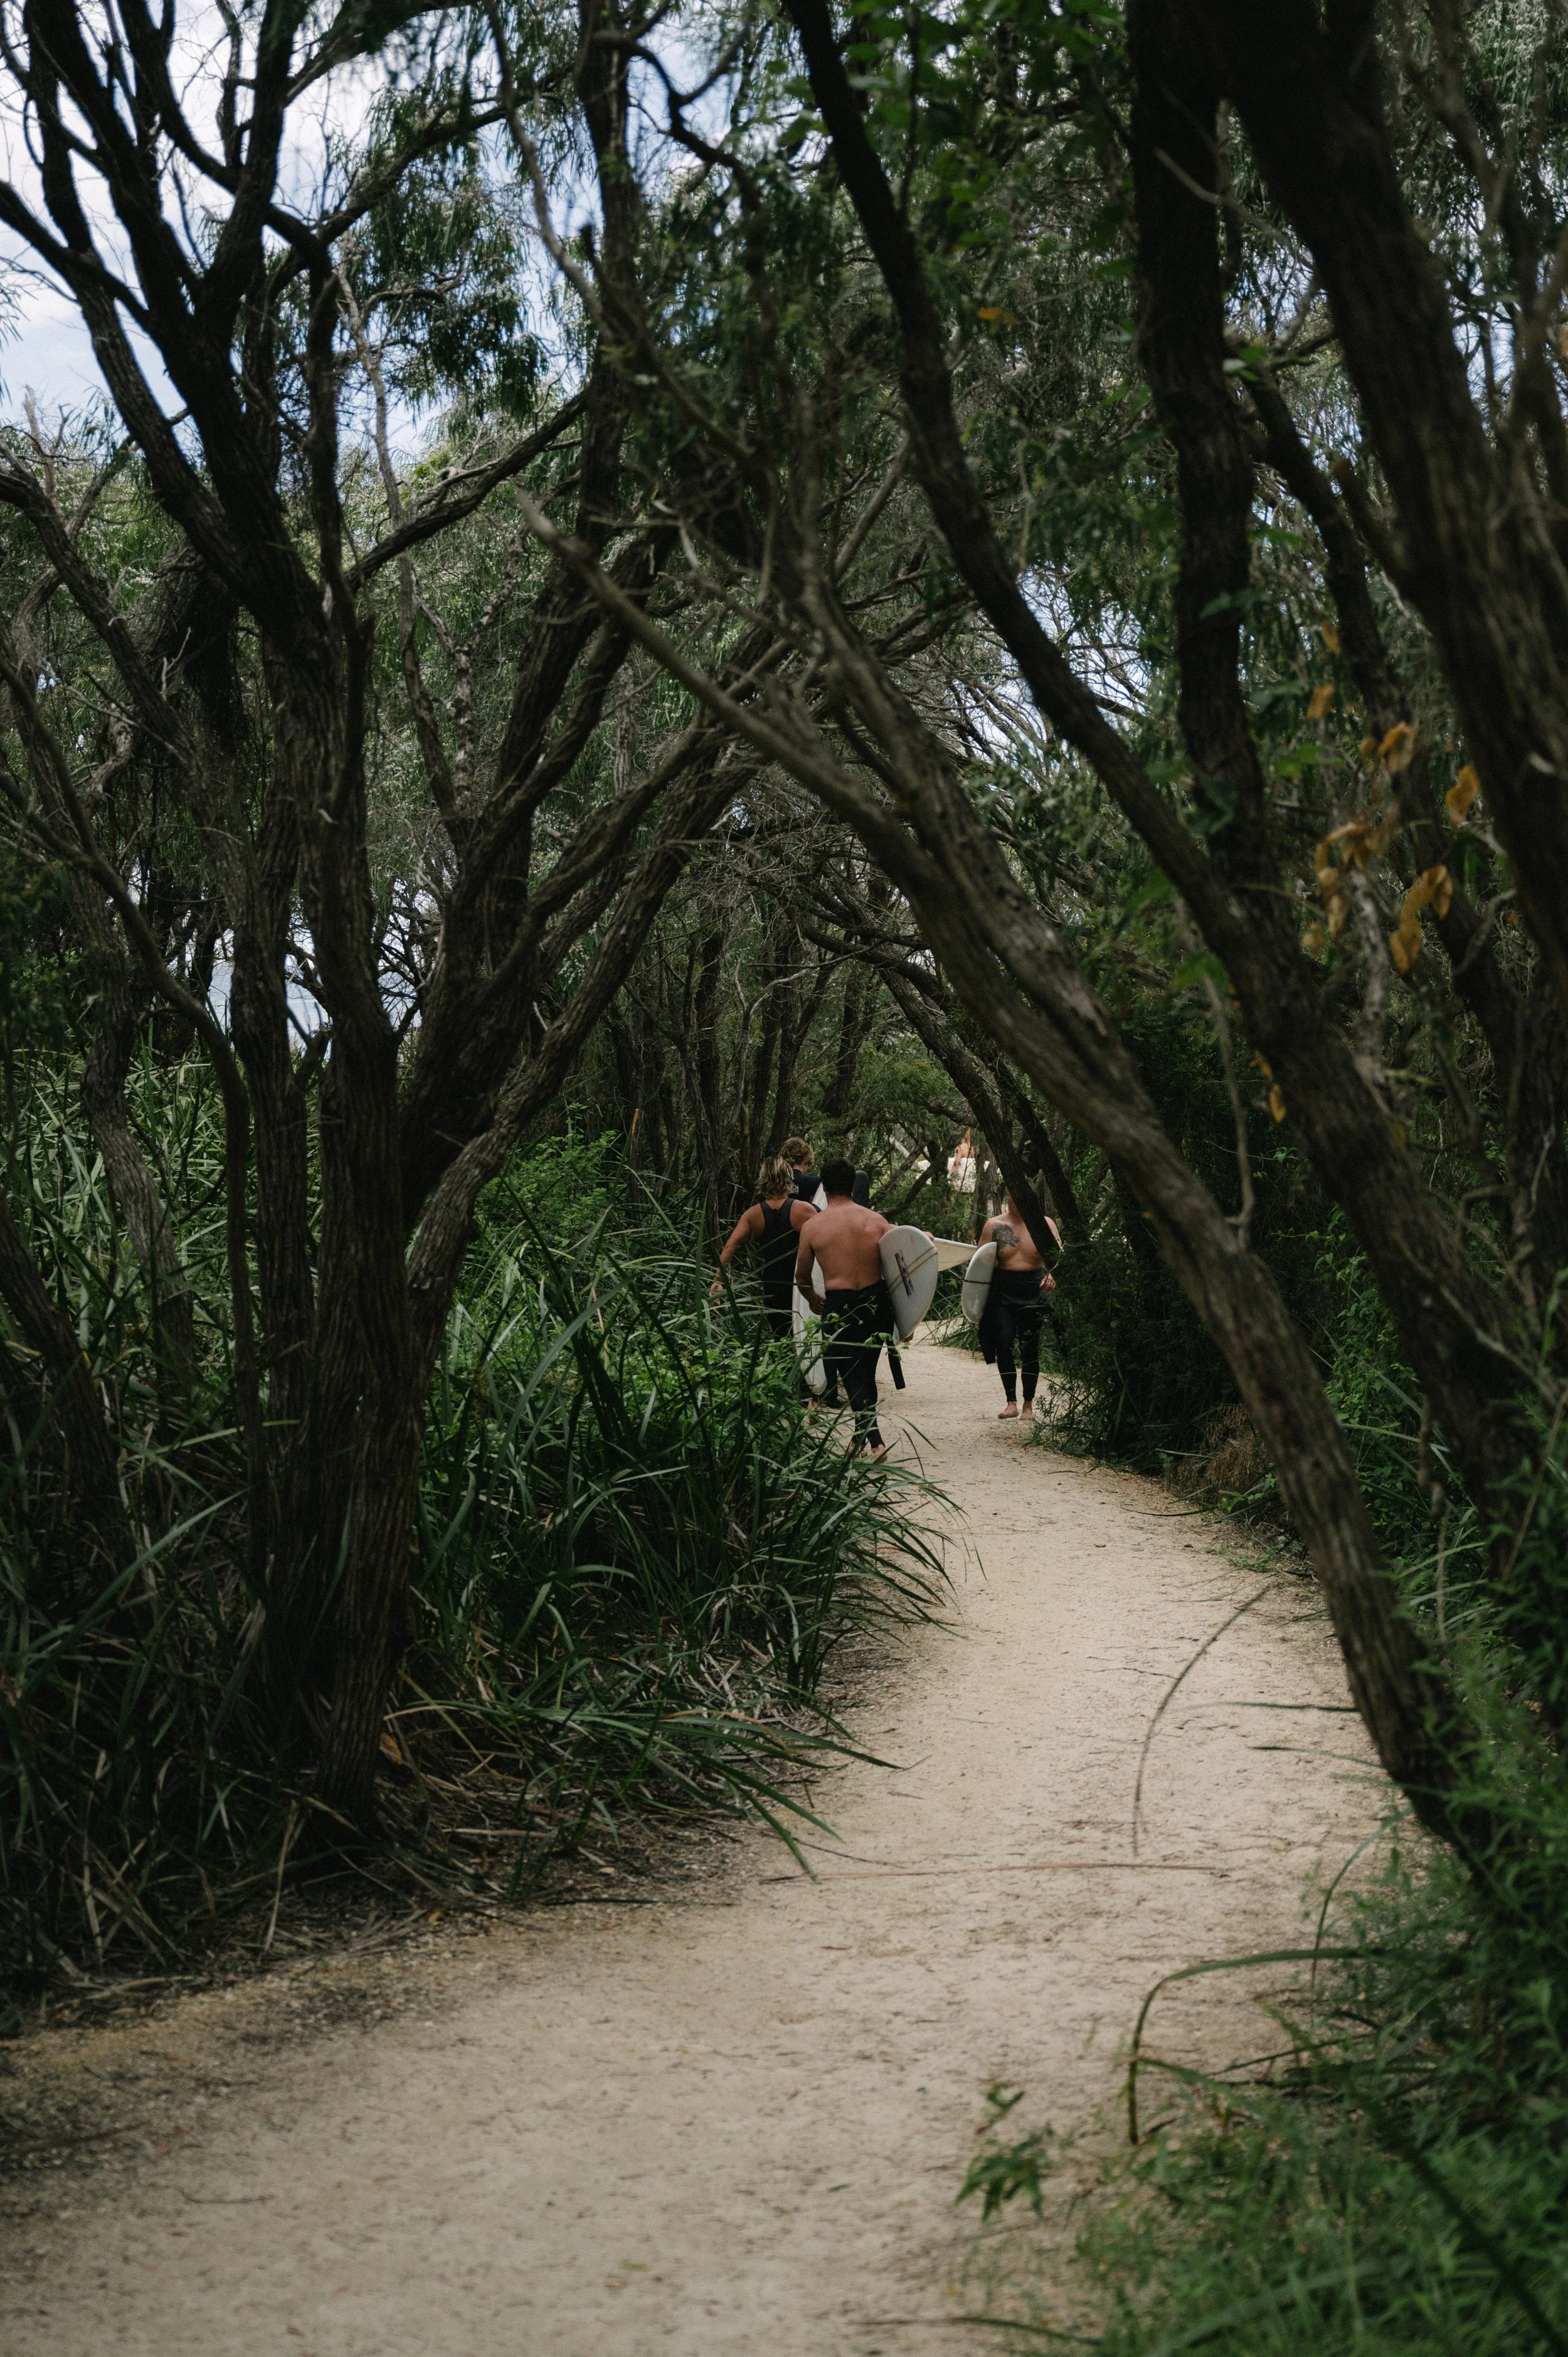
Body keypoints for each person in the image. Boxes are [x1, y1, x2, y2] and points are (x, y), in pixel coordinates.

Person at [795, 1158, 893, 1459]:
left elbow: (801, 1276)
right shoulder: (877, 1221)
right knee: (865, 1373)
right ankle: (858, 1440)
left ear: (823, 1186)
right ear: (853, 1185)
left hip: (841, 1305)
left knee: (852, 1378)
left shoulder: (812, 1227)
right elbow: (905, 1258)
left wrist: (812, 1298)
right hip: (878, 1303)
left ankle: (876, 1444)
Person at [978, 1189, 1062, 1421]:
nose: (1017, 1204)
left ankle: (1028, 1405)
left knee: (1030, 1347)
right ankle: (1011, 1403)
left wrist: (1053, 1275)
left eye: (1022, 1199)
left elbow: (1059, 1255)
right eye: (1013, 1200)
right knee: (1003, 1343)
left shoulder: (1045, 1225)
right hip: (1003, 1290)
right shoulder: (994, 1225)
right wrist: (977, 1301)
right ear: (1008, 1198)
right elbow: (980, 1262)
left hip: (1034, 1289)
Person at [711, 1155, 814, 1342]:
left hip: (772, 1281)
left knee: (780, 1334)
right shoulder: (804, 1210)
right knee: (805, 1334)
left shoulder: (753, 1214)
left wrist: (718, 1280)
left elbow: (730, 1246)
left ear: (763, 1179)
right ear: (788, 1177)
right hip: (800, 1281)